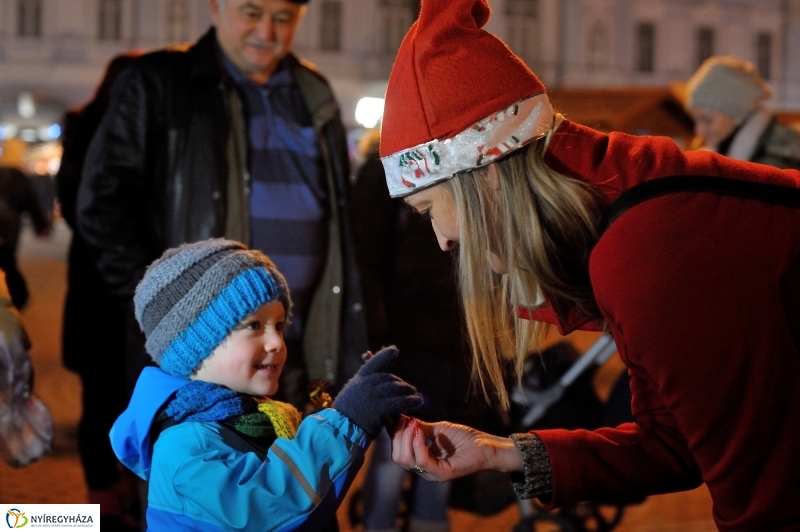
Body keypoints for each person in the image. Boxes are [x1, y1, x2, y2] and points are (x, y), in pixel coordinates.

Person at [379, 1, 800, 531]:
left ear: (483, 177)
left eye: (430, 210)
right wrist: (501, 453)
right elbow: (674, 440)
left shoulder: (647, 253)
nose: (441, 239)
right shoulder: (625, 224)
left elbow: (764, 499)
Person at [76, 0, 368, 409]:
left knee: (293, 470)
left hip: (295, 350)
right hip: (199, 363)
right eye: (251, 13)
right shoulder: (158, 83)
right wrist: (168, 312)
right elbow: (102, 205)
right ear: (216, 7)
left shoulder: (313, 92)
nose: (267, 32)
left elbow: (343, 219)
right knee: (200, 469)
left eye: (282, 18)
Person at [110, 238, 423, 531]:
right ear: (195, 347)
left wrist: (358, 425)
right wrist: (346, 422)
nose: (276, 342)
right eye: (254, 326)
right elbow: (267, 508)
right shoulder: (184, 446)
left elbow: (312, 503)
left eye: (279, 325)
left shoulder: (264, 415)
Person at [351, 130, 488, 532]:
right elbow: (366, 257)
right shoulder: (383, 176)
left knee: (439, 439)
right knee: (398, 446)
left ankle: (425, 523)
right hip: (404, 335)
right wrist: (376, 334)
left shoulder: (455, 162)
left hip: (452, 333)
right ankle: (382, 524)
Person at [55, 51, 143, 530]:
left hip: (104, 285)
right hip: (99, 285)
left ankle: (117, 495)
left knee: (114, 399)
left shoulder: (92, 127)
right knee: (103, 400)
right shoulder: (90, 127)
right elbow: (75, 204)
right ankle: (104, 502)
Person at [686, 55, 800, 169]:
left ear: (737, 113)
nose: (699, 131)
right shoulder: (728, 150)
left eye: (707, 119)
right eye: (695, 120)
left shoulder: (782, 159)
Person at [0, 165, 52, 309]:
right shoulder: (16, 175)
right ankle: (20, 297)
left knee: (6, 259)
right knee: (8, 260)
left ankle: (19, 296)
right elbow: (30, 200)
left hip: (8, 217)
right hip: (10, 219)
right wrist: (40, 225)